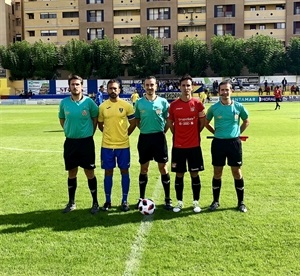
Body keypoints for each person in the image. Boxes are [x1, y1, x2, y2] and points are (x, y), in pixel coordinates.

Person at [205, 80, 250, 213]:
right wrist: (216, 133)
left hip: (234, 143)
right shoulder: (213, 108)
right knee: (217, 172)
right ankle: (215, 201)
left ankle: (241, 202)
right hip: (218, 143)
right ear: (219, 91)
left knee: (236, 172)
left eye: (227, 90)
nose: (225, 92)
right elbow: (206, 123)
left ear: (232, 91)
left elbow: (246, 121)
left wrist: (238, 133)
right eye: (222, 90)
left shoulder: (239, 107)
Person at [58, 74, 99, 214]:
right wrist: (70, 131)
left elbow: (95, 119)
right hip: (70, 142)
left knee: (89, 172)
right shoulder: (64, 103)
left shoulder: (89, 103)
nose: (75, 87)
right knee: (72, 172)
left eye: (77, 84)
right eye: (72, 84)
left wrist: (89, 134)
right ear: (69, 87)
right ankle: (71, 202)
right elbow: (62, 119)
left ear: (82, 86)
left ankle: (95, 203)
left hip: (86, 142)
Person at [167, 74, 206, 213]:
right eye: (183, 85)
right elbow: (170, 123)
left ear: (192, 87)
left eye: (188, 85)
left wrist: (195, 133)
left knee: (194, 173)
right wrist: (176, 134)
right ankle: (179, 202)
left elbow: (202, 122)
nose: (186, 88)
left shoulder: (198, 104)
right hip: (178, 146)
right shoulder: (173, 105)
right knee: (179, 174)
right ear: (179, 87)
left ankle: (196, 202)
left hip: (194, 145)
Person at [134, 76, 172, 210]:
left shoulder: (163, 102)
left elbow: (168, 120)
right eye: (147, 85)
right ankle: (141, 198)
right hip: (144, 138)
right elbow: (137, 121)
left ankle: (168, 199)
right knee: (144, 168)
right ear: (144, 86)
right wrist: (146, 129)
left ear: (156, 86)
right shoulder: (138, 103)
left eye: (152, 85)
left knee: (163, 168)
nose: (150, 87)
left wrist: (162, 132)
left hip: (159, 138)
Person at [98, 79, 136, 212]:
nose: (113, 91)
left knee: (124, 171)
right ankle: (108, 201)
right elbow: (100, 125)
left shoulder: (127, 106)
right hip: (107, 146)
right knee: (108, 172)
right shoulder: (102, 107)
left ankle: (124, 201)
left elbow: (133, 124)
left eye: (115, 88)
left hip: (123, 145)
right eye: (110, 88)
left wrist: (124, 135)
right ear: (107, 90)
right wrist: (108, 134)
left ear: (119, 90)